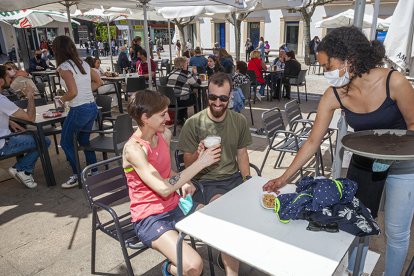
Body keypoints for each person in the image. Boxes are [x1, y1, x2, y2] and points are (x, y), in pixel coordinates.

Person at [262, 26, 414, 276]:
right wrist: (283, 178)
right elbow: (312, 141)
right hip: (365, 162)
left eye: (327, 66)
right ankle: (352, 271)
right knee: (355, 222)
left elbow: (412, 126)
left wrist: (391, 156)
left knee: (396, 232)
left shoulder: (393, 81)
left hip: (404, 164)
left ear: (349, 59)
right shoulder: (335, 94)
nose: (325, 73)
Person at [123, 89, 220, 276]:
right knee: (193, 266)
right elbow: (163, 188)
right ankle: (168, 268)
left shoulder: (164, 135)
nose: (168, 118)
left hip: (175, 205)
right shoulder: (133, 149)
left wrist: (184, 182)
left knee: (219, 224)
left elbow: (167, 173)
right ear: (145, 117)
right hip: (149, 217)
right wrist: (201, 163)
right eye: (162, 114)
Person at [178, 72, 252, 276]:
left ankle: (226, 255)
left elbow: (242, 154)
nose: (217, 102)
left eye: (223, 98)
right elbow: (187, 166)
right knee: (225, 212)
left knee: (256, 209)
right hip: (206, 182)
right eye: (213, 97)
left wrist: (247, 182)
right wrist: (199, 155)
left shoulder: (239, 121)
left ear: (231, 98)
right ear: (206, 95)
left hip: (234, 178)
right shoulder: (193, 123)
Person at [52, 35, 103, 188]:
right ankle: (94, 172)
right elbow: (99, 82)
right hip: (91, 107)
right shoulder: (83, 64)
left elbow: (72, 92)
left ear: (57, 50)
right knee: (84, 141)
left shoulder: (64, 67)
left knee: (65, 142)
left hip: (79, 109)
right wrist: (85, 91)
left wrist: (61, 99)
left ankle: (77, 175)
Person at [0, 65, 51, 188]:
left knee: (29, 134)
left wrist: (9, 122)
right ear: (1, 81)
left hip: (5, 138)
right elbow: (30, 118)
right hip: (3, 144)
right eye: (8, 76)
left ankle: (23, 168)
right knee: (44, 141)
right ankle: (22, 169)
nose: (10, 78)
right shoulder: (1, 100)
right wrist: (30, 97)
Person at [167, 56, 200, 123]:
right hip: (180, 101)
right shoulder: (186, 74)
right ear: (182, 65)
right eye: (186, 63)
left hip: (170, 101)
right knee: (194, 96)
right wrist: (195, 73)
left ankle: (181, 118)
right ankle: (198, 116)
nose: (187, 65)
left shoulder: (171, 72)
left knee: (183, 93)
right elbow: (196, 84)